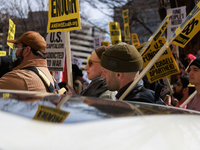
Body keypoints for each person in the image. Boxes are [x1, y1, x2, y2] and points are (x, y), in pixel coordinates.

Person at [101, 43, 165, 104]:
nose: (102, 75)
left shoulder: (131, 106)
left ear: (119, 75)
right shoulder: (149, 96)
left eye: (105, 72)